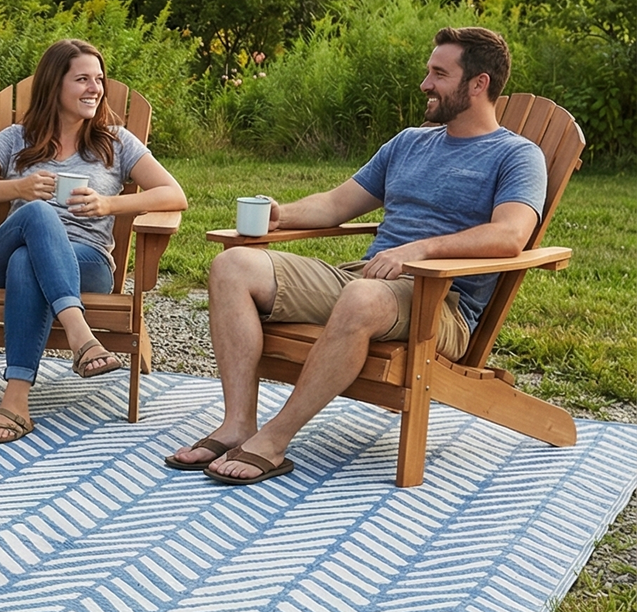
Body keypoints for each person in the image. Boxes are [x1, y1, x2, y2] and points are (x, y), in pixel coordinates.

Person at [166, 26, 547, 484]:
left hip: (439, 303)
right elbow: (336, 203)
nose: (425, 83)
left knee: (363, 297)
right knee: (232, 265)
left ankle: (274, 439)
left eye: (439, 74)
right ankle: (238, 424)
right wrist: (280, 215)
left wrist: (420, 250)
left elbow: (510, 235)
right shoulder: (409, 142)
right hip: (365, 282)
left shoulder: (517, 156)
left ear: (479, 83)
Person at [0, 38, 188, 443]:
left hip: (85, 264)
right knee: (36, 214)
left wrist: (108, 204)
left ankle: (16, 402)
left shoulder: (116, 142)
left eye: (99, 79)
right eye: (82, 79)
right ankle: (81, 336)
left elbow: (173, 194)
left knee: (28, 263)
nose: (95, 88)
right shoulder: (16, 138)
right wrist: (18, 188)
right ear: (54, 85)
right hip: (2, 261)